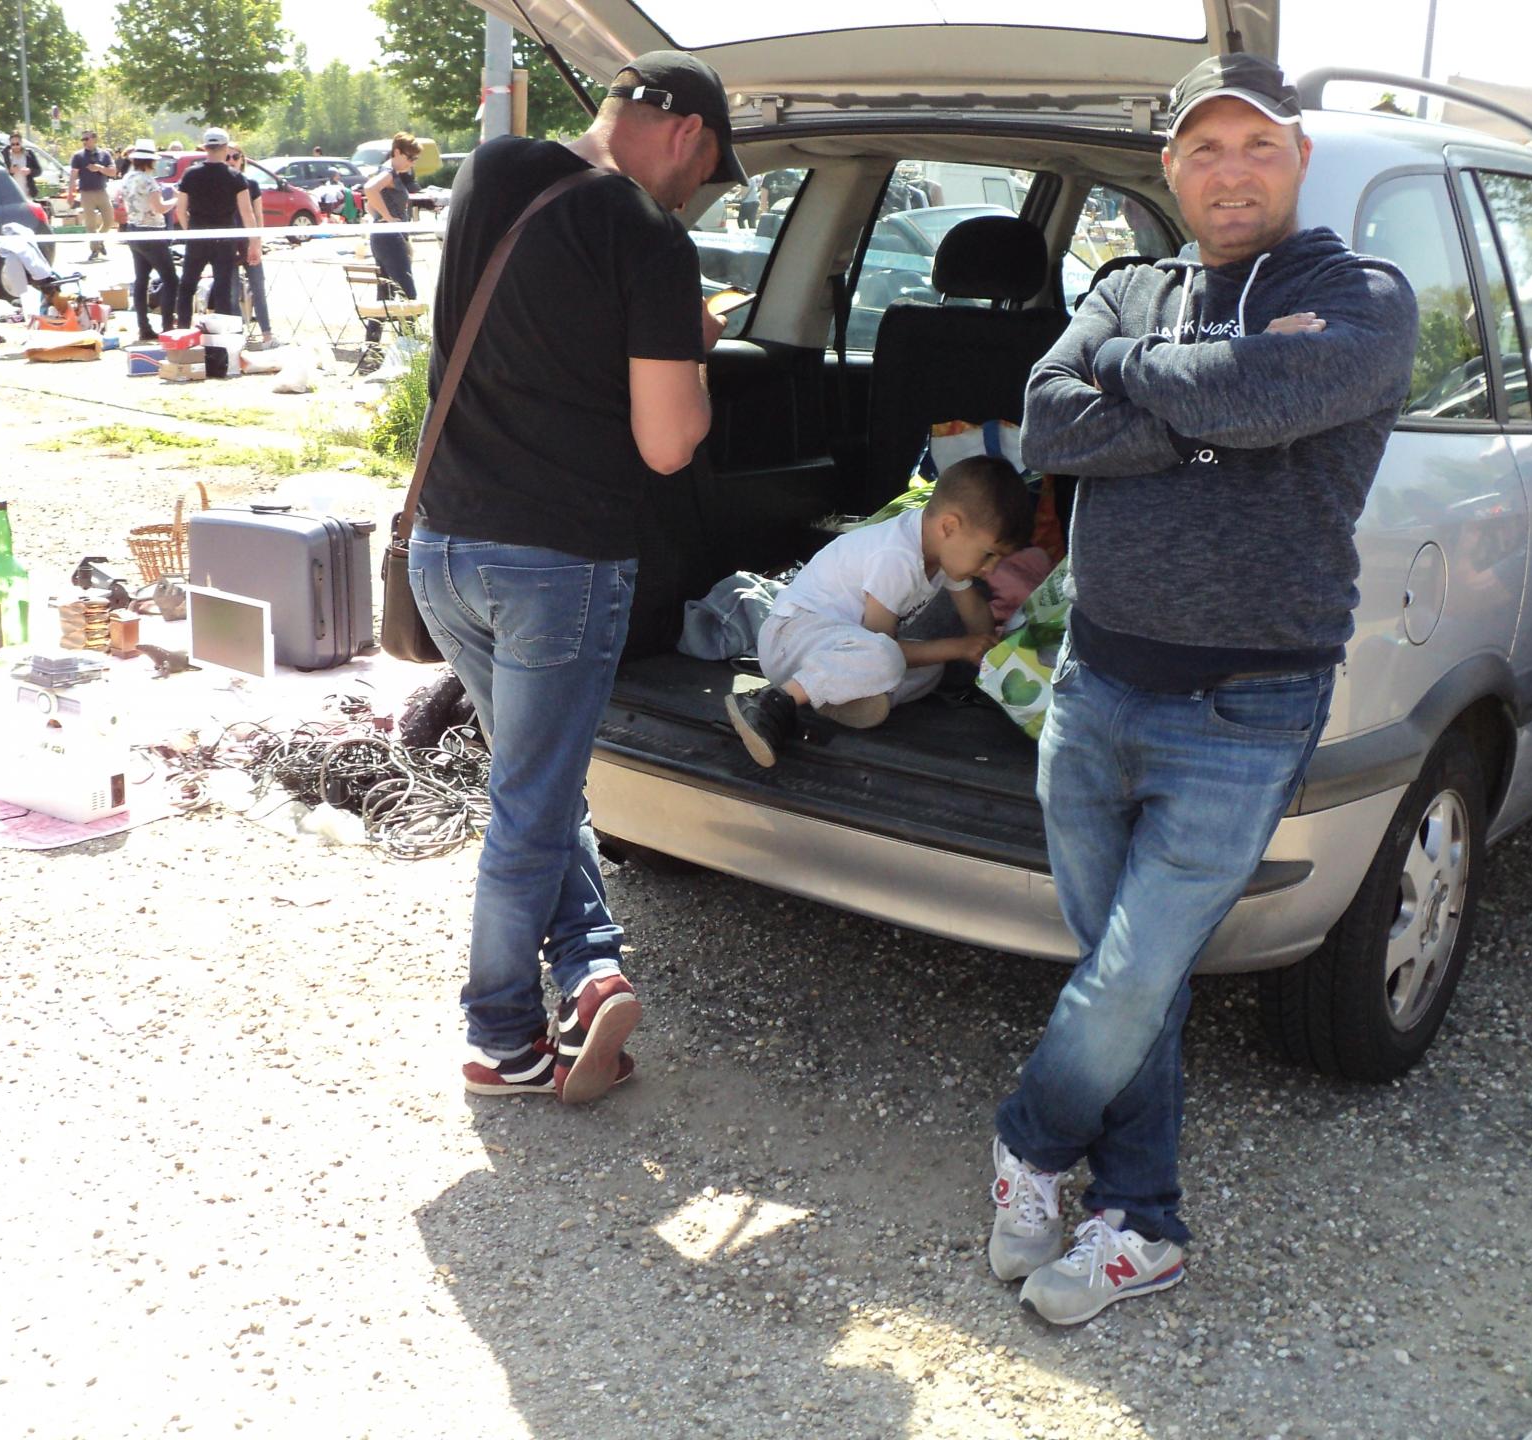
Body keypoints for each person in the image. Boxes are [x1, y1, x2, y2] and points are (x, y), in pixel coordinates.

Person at [987, 53, 1418, 1326]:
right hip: (1095, 686)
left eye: (1257, 147)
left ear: (1297, 159)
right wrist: (1219, 405)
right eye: (1204, 150)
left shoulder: (1361, 295)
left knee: (1126, 977)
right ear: (1171, 170)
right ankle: (1143, 1222)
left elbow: (1281, 389)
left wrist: (1143, 380)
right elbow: (1047, 426)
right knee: (1133, 978)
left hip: (1248, 708)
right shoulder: (1127, 285)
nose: (1230, 170)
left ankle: (1028, 1140)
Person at [406, 50, 744, 1104]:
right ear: (687, 132)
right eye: (711, 171)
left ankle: (591, 970)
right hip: (558, 565)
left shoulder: (493, 171)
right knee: (534, 807)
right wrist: (694, 353)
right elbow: (668, 444)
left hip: (442, 546)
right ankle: (500, 1036)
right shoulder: (647, 233)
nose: (699, 192)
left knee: (534, 781)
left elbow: (517, 332)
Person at [725, 457, 1031, 767]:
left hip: (833, 650)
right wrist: (959, 647)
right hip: (791, 638)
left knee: (932, 668)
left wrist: (990, 646)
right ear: (949, 527)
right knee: (890, 658)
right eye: (989, 554)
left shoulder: (942, 551)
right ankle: (771, 702)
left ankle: (846, 697)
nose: (991, 568)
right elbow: (879, 642)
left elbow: (975, 617)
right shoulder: (896, 556)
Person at [171, 127, 261, 328]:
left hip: (198, 237)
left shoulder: (190, 174)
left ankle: (183, 333)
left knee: (187, 287)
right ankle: (221, 341)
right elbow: (247, 213)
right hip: (224, 238)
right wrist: (254, 242)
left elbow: (180, 210)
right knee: (223, 290)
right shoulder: (236, 177)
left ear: (205, 147)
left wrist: (190, 231)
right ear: (225, 147)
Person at [360, 133, 424, 351]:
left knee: (384, 293)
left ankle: (371, 343)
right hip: (389, 236)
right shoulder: (388, 172)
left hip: (383, 236)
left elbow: (369, 203)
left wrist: (382, 215)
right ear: (396, 151)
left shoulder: (388, 171)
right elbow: (369, 189)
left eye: (415, 159)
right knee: (408, 293)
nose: (412, 162)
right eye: (410, 157)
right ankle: (411, 345)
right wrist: (388, 217)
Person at [119, 139, 177, 342]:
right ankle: (168, 326)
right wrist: (176, 199)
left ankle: (144, 326)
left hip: (133, 230)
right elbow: (159, 208)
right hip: (152, 231)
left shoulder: (126, 178)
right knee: (171, 279)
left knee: (141, 280)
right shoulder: (149, 181)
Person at [224, 145, 278, 349]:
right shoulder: (221, 184)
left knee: (258, 287)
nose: (231, 160)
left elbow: (258, 215)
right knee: (231, 291)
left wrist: (258, 242)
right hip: (228, 242)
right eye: (227, 156)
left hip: (249, 241)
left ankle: (267, 334)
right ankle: (238, 334)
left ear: (242, 159)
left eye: (235, 156)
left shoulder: (252, 184)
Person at [66, 129, 117, 262]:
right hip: (86, 193)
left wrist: (99, 168)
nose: (84, 142)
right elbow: (73, 175)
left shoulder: (104, 155)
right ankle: (94, 249)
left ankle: (98, 241)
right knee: (90, 223)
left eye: (86, 139)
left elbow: (113, 172)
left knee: (109, 220)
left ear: (94, 139)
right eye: (82, 139)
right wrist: (70, 193)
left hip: (101, 191)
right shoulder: (78, 156)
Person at [3, 130, 41, 199]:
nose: (15, 146)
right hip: (10, 192)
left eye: (17, 144)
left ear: (21, 143)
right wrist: (9, 171)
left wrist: (29, 171)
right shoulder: (5, 155)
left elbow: (39, 171)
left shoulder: (29, 154)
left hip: (27, 192)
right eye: (13, 144)